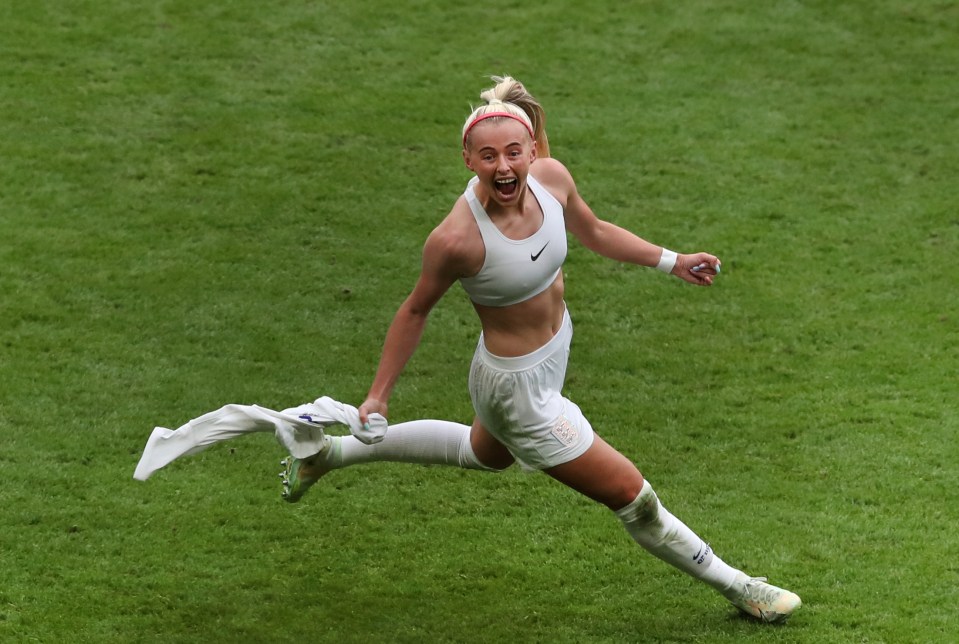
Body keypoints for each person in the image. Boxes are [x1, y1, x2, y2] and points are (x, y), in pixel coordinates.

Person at [281, 76, 801, 623]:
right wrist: (377, 397)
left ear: (532, 150)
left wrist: (675, 261)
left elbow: (595, 231)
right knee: (632, 494)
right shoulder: (457, 240)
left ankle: (326, 456)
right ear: (467, 160)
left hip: (550, 354)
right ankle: (742, 588)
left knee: (488, 454)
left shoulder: (551, 180)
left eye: (513, 153)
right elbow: (415, 310)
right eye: (487, 157)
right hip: (516, 388)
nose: (503, 167)